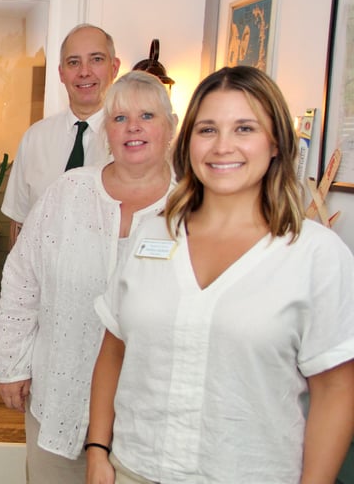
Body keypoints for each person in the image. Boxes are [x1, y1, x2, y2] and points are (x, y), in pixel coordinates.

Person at [87, 66, 354, 483]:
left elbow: (336, 390)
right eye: (208, 130)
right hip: (135, 469)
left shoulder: (315, 255)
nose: (222, 147)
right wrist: (98, 451)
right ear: (188, 141)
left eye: (244, 128)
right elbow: (113, 350)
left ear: (277, 144)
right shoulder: (153, 232)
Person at [0, 71, 176, 483]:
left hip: (149, 418)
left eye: (147, 115)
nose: (133, 127)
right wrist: (12, 364)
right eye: (119, 118)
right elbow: (22, 280)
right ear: (105, 133)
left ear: (170, 129)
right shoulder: (69, 192)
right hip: (60, 396)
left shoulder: (191, 207)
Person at [0, 24, 121, 240]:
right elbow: (19, 222)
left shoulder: (131, 142)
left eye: (96, 59)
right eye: (73, 62)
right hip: (41, 274)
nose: (84, 72)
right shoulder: (35, 138)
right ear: (61, 73)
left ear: (114, 67)